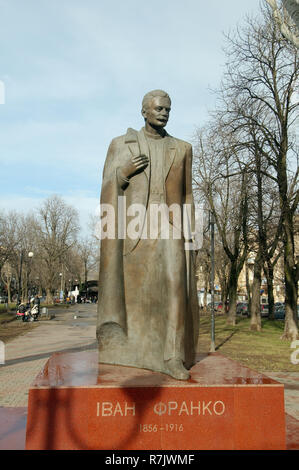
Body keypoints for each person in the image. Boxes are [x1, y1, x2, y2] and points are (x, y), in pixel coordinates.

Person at [96, 90, 199, 380]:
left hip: (171, 224)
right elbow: (106, 187)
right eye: (158, 109)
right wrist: (122, 173)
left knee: (176, 282)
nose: (164, 113)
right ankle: (129, 350)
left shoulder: (182, 148)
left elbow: (188, 195)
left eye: (168, 109)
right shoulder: (121, 144)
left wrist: (192, 234)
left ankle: (173, 355)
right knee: (137, 296)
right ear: (144, 111)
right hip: (135, 226)